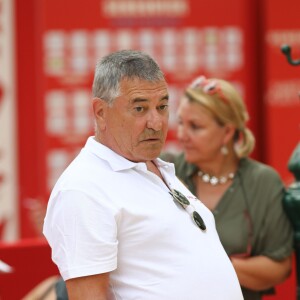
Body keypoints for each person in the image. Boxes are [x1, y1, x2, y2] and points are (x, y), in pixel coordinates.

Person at [43, 50, 243, 299]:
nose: (156, 122)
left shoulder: (155, 166)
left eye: (162, 106)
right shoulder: (83, 188)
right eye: (140, 108)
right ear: (100, 112)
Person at [163, 75, 294, 300]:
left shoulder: (262, 181)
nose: (182, 135)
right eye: (181, 122)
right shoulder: (166, 170)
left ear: (227, 132)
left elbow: (278, 267)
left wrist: (208, 263)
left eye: (195, 127)